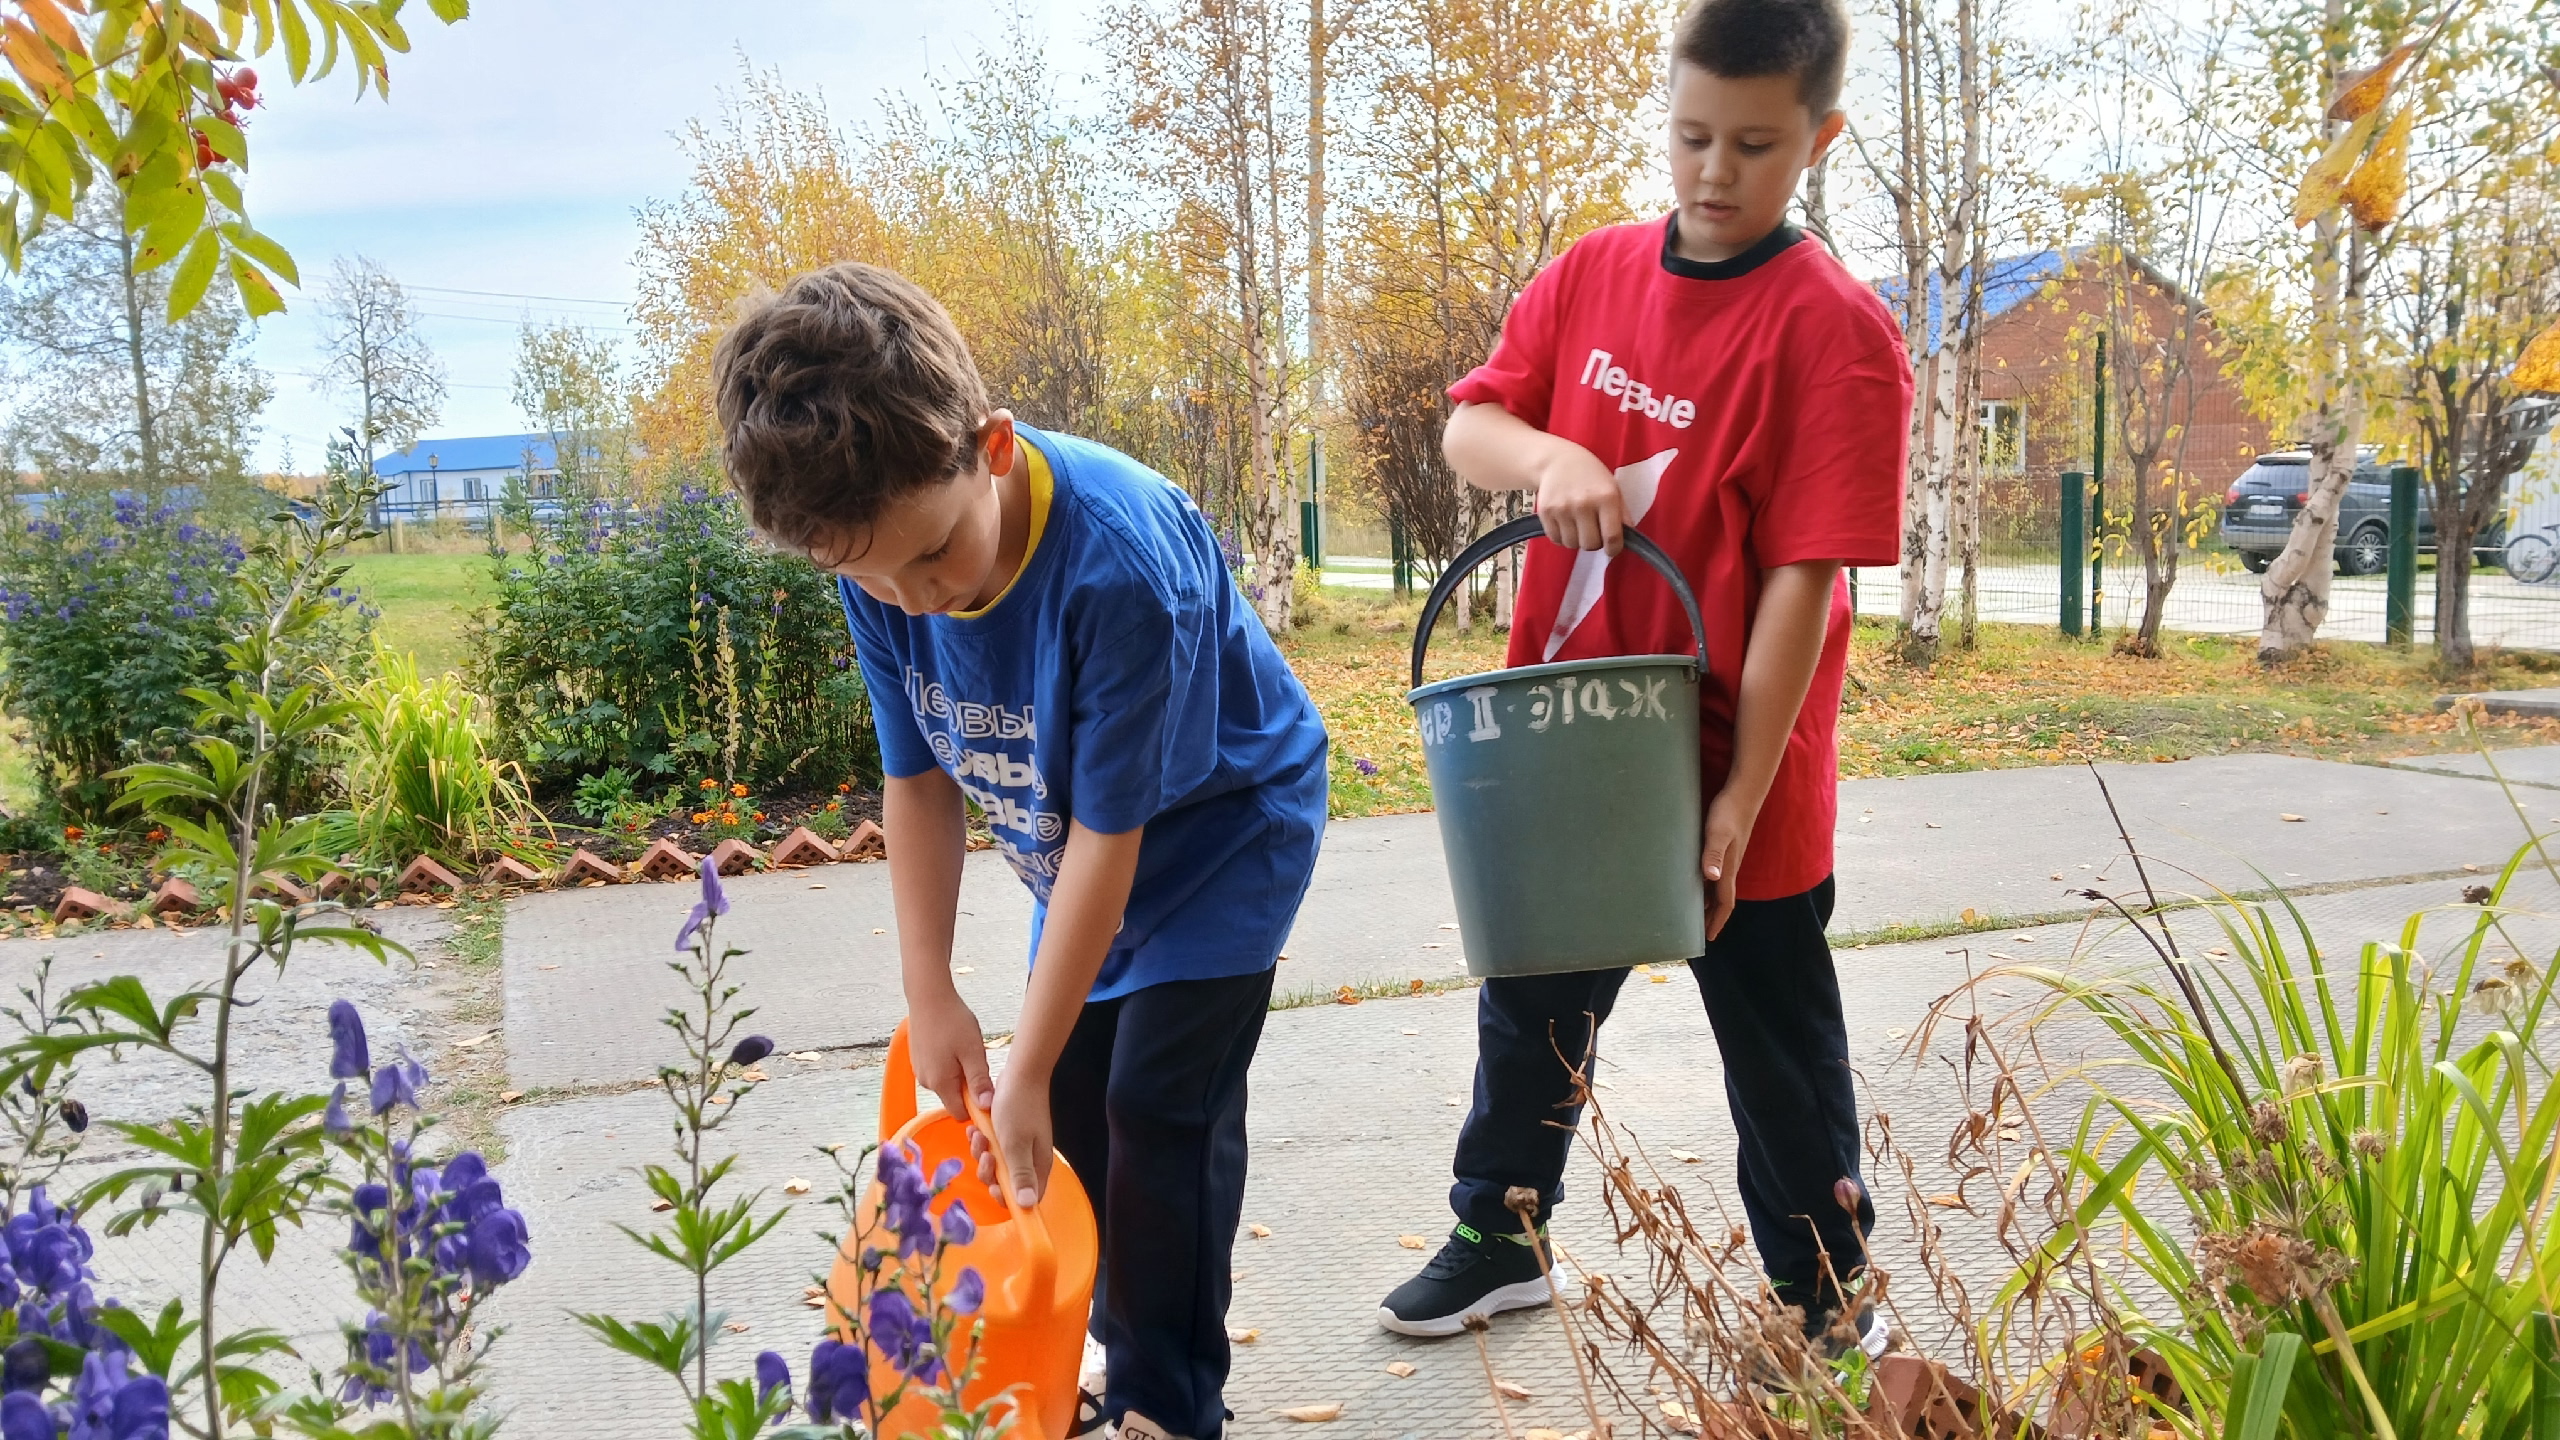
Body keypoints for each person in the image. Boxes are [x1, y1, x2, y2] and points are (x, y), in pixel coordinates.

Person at [711, 263, 1329, 1440]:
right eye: (869, 576)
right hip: (1081, 847)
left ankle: (1169, 1404)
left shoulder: (1117, 564)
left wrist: (1026, 1058)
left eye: (935, 557)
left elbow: (1115, 834)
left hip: (1222, 836)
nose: (913, 599)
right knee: (1078, 1121)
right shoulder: (880, 557)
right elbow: (918, 780)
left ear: (988, 448)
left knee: (1157, 1107)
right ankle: (1080, 1350)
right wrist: (930, 989)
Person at [1376, 0, 1911, 1360]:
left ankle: (1820, 1287)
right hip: (1565, 737)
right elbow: (1471, 430)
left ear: (1820, 140)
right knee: (1532, 1002)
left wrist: (1737, 793)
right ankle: (1502, 1237)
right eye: (1690, 137)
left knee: (1776, 1033)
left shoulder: (1838, 334)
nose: (1715, 173)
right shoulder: (1591, 275)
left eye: (1754, 145)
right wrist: (1546, 459)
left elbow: (1805, 579)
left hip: (1743, 757)